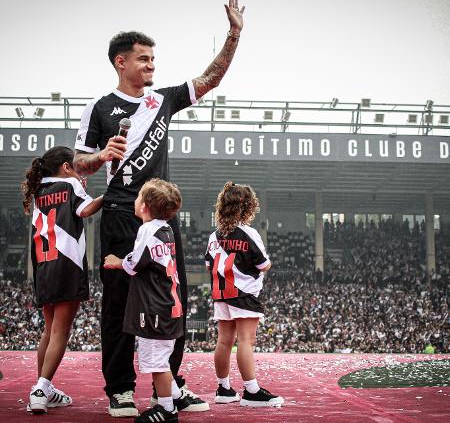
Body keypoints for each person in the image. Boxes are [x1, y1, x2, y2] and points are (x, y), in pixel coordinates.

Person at [73, 0, 244, 417]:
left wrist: (234, 35)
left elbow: (210, 79)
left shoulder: (163, 100)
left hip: (161, 218)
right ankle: (120, 389)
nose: (152, 65)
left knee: (173, 302)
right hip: (118, 215)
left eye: (153, 59)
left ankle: (171, 387)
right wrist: (100, 157)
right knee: (118, 303)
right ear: (120, 62)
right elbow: (78, 164)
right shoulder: (99, 107)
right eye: (144, 59)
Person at [21, 146, 103, 414]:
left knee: (49, 329)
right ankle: (41, 389)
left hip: (43, 266)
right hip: (67, 264)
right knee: (60, 331)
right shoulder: (70, 184)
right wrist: (108, 196)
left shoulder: (39, 191)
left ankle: (43, 387)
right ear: (66, 167)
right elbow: (86, 210)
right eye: (75, 166)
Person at [105, 179, 194, 422]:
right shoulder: (166, 230)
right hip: (169, 306)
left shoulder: (147, 230)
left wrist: (117, 261)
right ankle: (174, 394)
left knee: (157, 363)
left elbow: (135, 265)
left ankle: (167, 409)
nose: (133, 201)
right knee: (161, 358)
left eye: (137, 198)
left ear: (144, 206)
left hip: (155, 308)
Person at [205, 182, 284, 407]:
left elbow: (207, 265)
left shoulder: (214, 235)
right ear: (247, 207)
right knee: (246, 342)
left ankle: (224, 388)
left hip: (221, 292)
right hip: (244, 293)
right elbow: (264, 264)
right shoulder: (248, 233)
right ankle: (251, 391)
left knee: (224, 341)